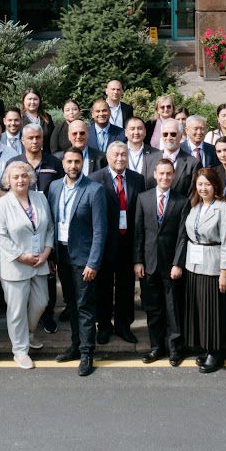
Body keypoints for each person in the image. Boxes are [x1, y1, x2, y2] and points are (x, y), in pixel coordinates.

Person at [48, 148, 108, 376]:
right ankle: (75, 345)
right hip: (62, 255)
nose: (73, 166)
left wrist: (93, 263)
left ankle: (86, 353)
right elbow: (52, 223)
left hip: (84, 259)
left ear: (83, 164)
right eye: (69, 162)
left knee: (85, 306)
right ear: (63, 164)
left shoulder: (94, 189)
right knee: (71, 304)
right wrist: (52, 256)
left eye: (77, 162)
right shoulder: (55, 187)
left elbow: (100, 230)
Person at [0, 161, 54, 369]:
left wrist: (46, 251)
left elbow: (49, 228)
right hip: (15, 265)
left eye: (24, 176)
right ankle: (20, 350)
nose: (20, 180)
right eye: (16, 177)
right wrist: (21, 256)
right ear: (8, 181)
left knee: (41, 302)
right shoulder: (1, 204)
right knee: (17, 310)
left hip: (39, 260)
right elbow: (0, 236)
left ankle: (29, 334)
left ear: (31, 178)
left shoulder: (40, 198)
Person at [174, 168, 226, 373]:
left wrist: (225, 271)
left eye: (207, 184)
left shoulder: (223, 208)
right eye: (200, 184)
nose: (203, 188)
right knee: (199, 309)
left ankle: (215, 353)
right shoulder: (195, 206)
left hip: (213, 266)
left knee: (212, 311)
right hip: (194, 265)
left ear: (215, 186)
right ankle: (206, 348)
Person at [133, 158, 190, 366]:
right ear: (155, 175)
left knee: (173, 308)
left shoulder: (182, 201)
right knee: (153, 309)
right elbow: (138, 232)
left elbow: (183, 236)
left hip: (170, 265)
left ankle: (175, 349)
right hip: (148, 264)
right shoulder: (143, 198)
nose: (165, 177)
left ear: (173, 176)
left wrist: (178, 263)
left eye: (169, 174)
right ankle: (156, 347)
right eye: (161, 173)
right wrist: (137, 261)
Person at [90, 142, 143, 346]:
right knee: (102, 287)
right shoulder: (95, 179)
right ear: (108, 157)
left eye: (123, 154)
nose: (120, 158)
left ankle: (123, 326)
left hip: (128, 242)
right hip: (104, 243)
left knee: (126, 287)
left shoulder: (137, 179)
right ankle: (104, 326)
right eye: (116, 154)